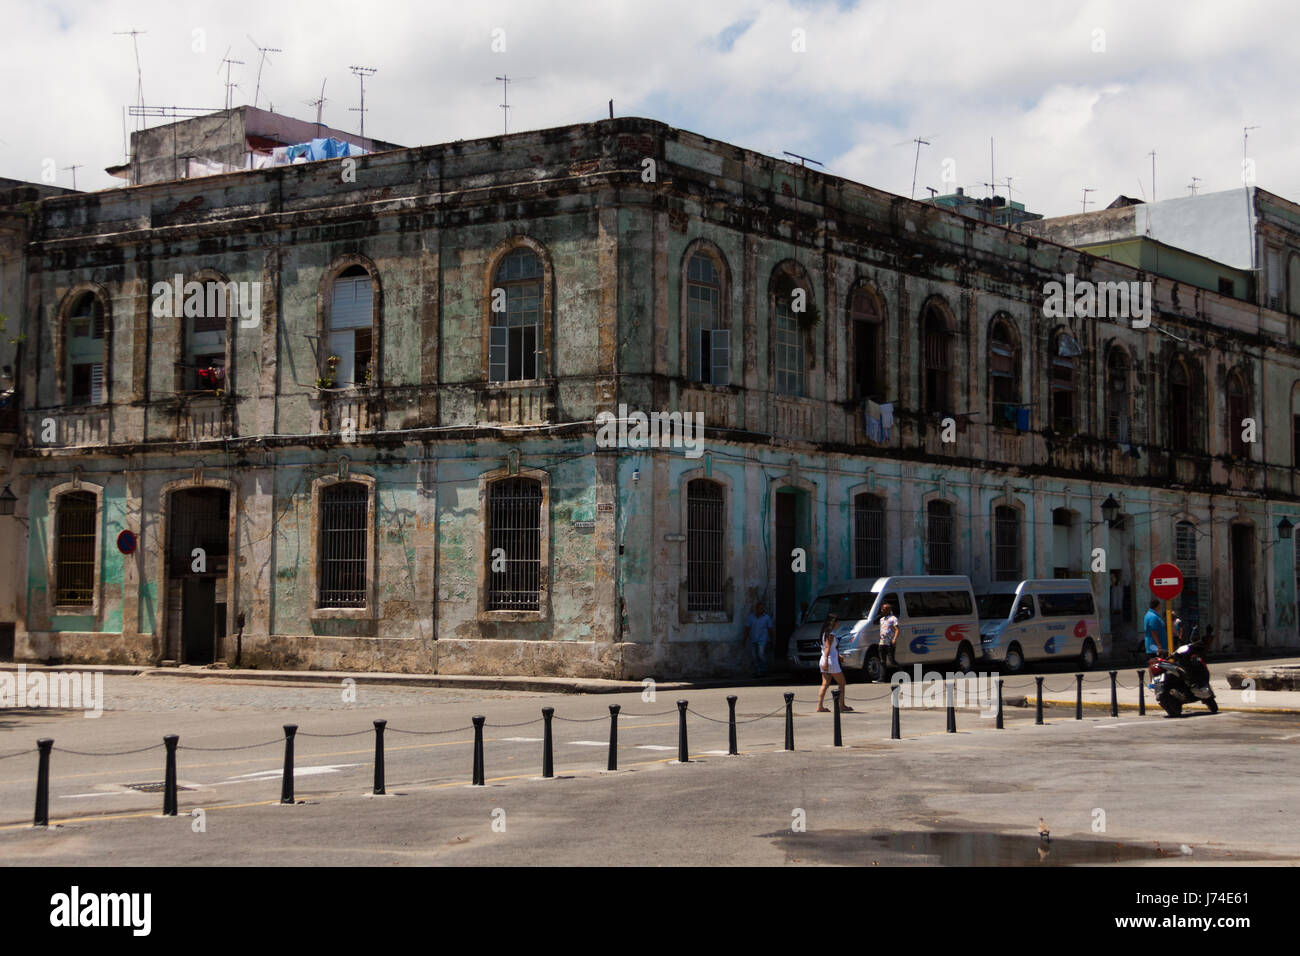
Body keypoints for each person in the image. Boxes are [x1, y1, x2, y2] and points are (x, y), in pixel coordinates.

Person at [816, 615, 853, 713]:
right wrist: (827, 661)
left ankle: (820, 706)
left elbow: (830, 648)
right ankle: (841, 705)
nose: (838, 624)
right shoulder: (831, 634)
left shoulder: (824, 633)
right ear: (833, 623)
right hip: (830, 661)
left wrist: (838, 655)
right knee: (842, 682)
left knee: (825, 683)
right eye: (837, 622)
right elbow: (828, 648)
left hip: (824, 659)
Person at [744, 600, 774, 677]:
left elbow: (770, 629)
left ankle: (764, 669)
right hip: (753, 639)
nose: (760, 610)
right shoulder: (751, 617)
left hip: (762, 639)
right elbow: (747, 628)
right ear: (756, 609)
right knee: (754, 656)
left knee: (761, 654)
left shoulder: (766, 618)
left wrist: (772, 639)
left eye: (762, 608)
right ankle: (758, 670)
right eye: (759, 608)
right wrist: (744, 639)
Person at [877, 602, 899, 673]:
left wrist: (894, 639)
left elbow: (897, 629)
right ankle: (881, 678)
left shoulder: (893, 618)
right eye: (882, 609)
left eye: (884, 609)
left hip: (889, 643)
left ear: (889, 610)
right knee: (882, 661)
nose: (882, 610)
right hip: (882, 642)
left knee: (892, 661)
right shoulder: (881, 619)